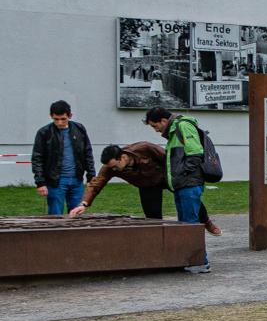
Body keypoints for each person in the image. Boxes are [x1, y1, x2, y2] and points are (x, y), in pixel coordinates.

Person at [67, 142, 220, 234]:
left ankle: (206, 222)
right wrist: (83, 204)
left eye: (115, 166)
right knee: (152, 218)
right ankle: (159, 242)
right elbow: (96, 183)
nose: (113, 170)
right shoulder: (109, 168)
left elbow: (168, 158)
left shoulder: (144, 148)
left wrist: (180, 176)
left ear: (122, 157)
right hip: (147, 186)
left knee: (189, 198)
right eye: (110, 167)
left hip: (166, 178)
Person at [144, 107, 212, 273]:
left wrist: (182, 173)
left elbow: (195, 152)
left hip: (189, 183)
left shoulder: (183, 126)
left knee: (190, 224)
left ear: (164, 121)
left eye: (155, 126)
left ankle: (200, 262)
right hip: (181, 184)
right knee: (185, 223)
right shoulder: (174, 132)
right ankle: (189, 260)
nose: (156, 130)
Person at [31, 100, 94, 217]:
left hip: (77, 180)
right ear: (51, 116)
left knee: (77, 215)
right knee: (55, 217)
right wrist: (40, 182)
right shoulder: (44, 132)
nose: (59, 122)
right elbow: (37, 158)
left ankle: (76, 235)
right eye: (56, 119)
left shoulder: (79, 129)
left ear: (70, 116)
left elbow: (87, 153)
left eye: (63, 119)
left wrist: (91, 176)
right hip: (55, 181)